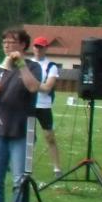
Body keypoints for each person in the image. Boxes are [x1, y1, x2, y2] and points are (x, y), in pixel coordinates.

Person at [0, 27, 41, 202]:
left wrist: (21, 64)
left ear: (23, 45)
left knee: (19, 180)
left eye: (11, 42)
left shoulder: (33, 67)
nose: (7, 46)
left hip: (22, 132)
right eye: (4, 42)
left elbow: (33, 87)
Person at [31, 36, 62, 177]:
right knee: (28, 138)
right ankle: (25, 167)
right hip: (29, 104)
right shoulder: (27, 64)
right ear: (33, 48)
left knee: (50, 137)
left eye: (41, 47)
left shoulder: (51, 66)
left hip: (44, 106)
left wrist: (31, 84)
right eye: (36, 46)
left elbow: (48, 87)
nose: (38, 49)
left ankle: (57, 168)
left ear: (46, 48)